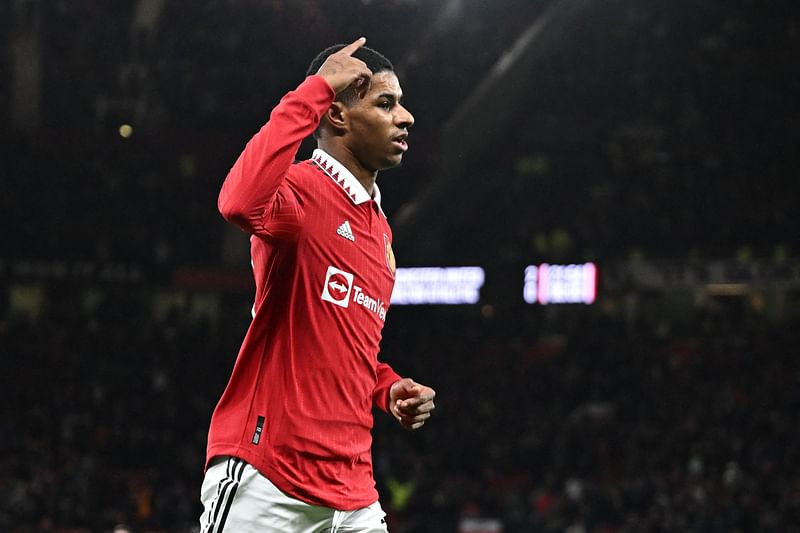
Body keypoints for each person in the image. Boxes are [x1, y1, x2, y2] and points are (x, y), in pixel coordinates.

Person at [199, 37, 436, 532]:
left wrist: (387, 386)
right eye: (386, 103)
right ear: (337, 116)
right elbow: (237, 203)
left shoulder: (380, 230)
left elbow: (344, 347)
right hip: (270, 477)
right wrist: (314, 89)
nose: (406, 117)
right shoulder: (303, 189)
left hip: (353, 489)